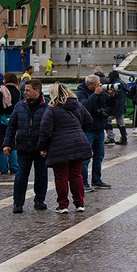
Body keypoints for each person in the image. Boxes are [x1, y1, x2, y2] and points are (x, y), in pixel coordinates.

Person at [39, 82, 93, 213]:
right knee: (76, 175)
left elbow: (45, 131)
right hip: (79, 143)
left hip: (59, 146)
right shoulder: (77, 105)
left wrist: (43, 147)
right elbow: (89, 121)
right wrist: (78, 131)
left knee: (61, 176)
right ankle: (79, 203)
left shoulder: (52, 109)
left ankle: (63, 205)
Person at [4, 79, 48, 213]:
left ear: (37, 91)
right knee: (21, 176)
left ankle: (39, 200)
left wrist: (46, 146)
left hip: (40, 148)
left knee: (41, 175)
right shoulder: (20, 105)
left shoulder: (47, 105)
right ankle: (18, 203)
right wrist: (7, 143)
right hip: (23, 146)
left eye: (28, 90)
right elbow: (12, 126)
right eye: (24, 90)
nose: (25, 92)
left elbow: (51, 128)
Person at [77, 75, 112, 190]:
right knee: (85, 158)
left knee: (99, 156)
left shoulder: (100, 92)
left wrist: (112, 96)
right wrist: (95, 94)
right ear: (89, 85)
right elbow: (84, 107)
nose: (99, 86)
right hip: (88, 130)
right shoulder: (81, 93)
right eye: (97, 84)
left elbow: (110, 105)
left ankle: (96, 180)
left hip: (100, 129)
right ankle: (83, 183)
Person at [0, 72, 21, 175]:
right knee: (13, 143)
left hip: (1, 122)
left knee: (0, 144)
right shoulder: (18, 91)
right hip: (14, 121)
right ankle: (14, 166)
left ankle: (3, 168)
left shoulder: (1, 91)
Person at [104, 70, 129, 145]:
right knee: (120, 122)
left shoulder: (116, 84)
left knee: (107, 120)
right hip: (122, 105)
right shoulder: (122, 82)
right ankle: (124, 138)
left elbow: (115, 96)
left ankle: (111, 137)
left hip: (115, 106)